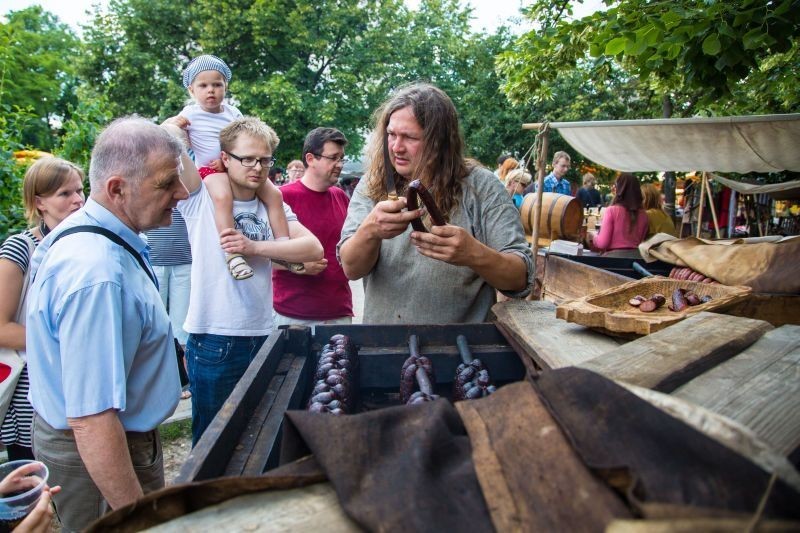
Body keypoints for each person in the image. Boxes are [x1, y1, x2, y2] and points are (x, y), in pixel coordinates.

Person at [26, 118, 187, 531]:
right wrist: (137, 519)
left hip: (113, 448)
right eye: (167, 183)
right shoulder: (97, 273)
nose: (181, 194)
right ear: (117, 189)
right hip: (100, 459)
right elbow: (92, 419)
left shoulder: (104, 241)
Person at [167, 116, 323, 445]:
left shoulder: (270, 202)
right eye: (247, 158)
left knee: (256, 436)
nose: (257, 167)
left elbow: (312, 247)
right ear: (225, 158)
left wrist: (254, 248)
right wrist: (183, 121)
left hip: (262, 332)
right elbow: (167, 142)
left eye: (265, 159)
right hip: (214, 338)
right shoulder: (200, 197)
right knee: (213, 440)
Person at [338, 83, 533, 324]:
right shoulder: (373, 183)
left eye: (409, 137)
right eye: (391, 134)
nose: (396, 147)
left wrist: (473, 254)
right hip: (384, 347)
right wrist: (370, 231)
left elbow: (520, 278)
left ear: (439, 141)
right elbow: (351, 268)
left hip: (463, 351)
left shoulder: (481, 186)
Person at [165, 54, 289, 281]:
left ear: (226, 86)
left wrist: (230, 160)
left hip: (237, 166)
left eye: (217, 84)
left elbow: (244, 138)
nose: (210, 90)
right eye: (203, 85)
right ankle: (232, 253)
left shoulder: (233, 114)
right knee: (223, 198)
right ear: (191, 90)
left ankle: (282, 247)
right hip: (210, 171)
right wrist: (174, 125)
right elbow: (172, 134)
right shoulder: (190, 114)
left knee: (275, 195)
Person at [0, 157, 85, 463]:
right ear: (39, 202)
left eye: (80, 190)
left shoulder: (84, 244)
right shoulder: (20, 249)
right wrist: (68, 340)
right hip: (31, 394)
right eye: (65, 194)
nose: (78, 200)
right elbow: (1, 328)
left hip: (76, 385)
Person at [273, 127, 353, 327]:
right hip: (294, 314)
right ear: (310, 158)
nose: (339, 164)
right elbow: (255, 254)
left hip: (339, 311)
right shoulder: (281, 197)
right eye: (333, 158)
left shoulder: (341, 196)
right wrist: (296, 265)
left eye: (342, 158)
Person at [144, 209, 192, 399]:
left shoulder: (189, 188)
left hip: (185, 261)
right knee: (154, 322)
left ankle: (183, 379)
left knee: (182, 325)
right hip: (153, 259)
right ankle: (157, 382)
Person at [590, 173, 648, 257]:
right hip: (637, 259)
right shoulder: (644, 214)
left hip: (614, 260)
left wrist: (593, 236)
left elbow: (602, 243)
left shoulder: (612, 210)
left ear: (620, 188)